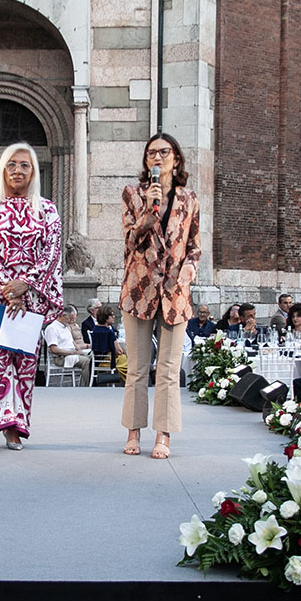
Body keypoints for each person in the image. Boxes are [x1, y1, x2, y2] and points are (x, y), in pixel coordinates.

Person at [0, 142, 63, 453]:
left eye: (24, 165)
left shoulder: (47, 210)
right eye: (12, 164)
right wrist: (8, 290)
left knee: (24, 365)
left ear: (33, 172)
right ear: (3, 170)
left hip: (30, 300)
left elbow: (51, 253)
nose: (18, 170)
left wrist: (26, 284)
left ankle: (14, 427)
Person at [120, 132, 200, 459]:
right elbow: (130, 241)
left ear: (176, 159)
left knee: (168, 369)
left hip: (175, 293)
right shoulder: (133, 194)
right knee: (137, 368)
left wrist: (190, 267)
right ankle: (133, 431)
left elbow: (194, 245)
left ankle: (163, 434)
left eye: (164, 152)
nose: (157, 157)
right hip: (138, 290)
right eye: (151, 153)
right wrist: (149, 212)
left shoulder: (189, 199)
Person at [43, 307, 92, 386]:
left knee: (93, 357)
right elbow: (53, 349)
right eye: (70, 318)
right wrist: (72, 352)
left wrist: (86, 347)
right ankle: (89, 385)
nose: (71, 321)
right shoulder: (52, 328)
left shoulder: (65, 327)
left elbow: (72, 343)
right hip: (61, 357)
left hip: (72, 352)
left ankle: (95, 382)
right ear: (63, 316)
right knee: (87, 362)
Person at [90, 305, 127, 382]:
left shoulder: (95, 330)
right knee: (127, 360)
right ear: (106, 317)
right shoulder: (109, 332)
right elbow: (118, 351)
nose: (114, 317)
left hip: (97, 361)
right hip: (109, 361)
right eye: (112, 315)